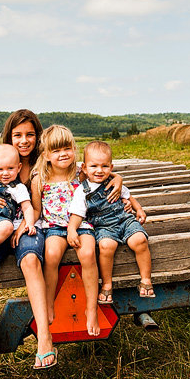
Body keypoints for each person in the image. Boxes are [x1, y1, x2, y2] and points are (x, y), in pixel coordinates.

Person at [0, 109, 56, 374]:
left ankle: (44, 337)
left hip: (30, 227)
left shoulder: (43, 163)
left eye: (30, 134)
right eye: (18, 135)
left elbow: (76, 175)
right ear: (10, 137)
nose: (24, 140)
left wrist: (26, 225)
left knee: (30, 260)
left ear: (38, 136)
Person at [30, 125, 122, 338]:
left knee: (89, 254)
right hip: (53, 227)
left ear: (73, 148)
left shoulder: (79, 173)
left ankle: (91, 308)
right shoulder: (39, 179)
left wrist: (118, 179)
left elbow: (103, 172)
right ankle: (49, 304)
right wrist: (27, 225)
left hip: (81, 225)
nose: (63, 154)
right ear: (46, 155)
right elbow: (36, 209)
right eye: (56, 150)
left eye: (67, 148)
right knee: (51, 255)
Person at [68, 140, 154, 304]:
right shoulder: (82, 191)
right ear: (84, 168)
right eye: (94, 166)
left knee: (140, 240)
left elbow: (127, 196)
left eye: (105, 166)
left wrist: (139, 210)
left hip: (125, 220)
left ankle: (146, 279)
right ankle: (107, 283)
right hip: (104, 226)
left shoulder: (114, 182)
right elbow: (77, 213)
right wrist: (72, 229)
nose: (99, 171)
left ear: (111, 168)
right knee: (106, 246)